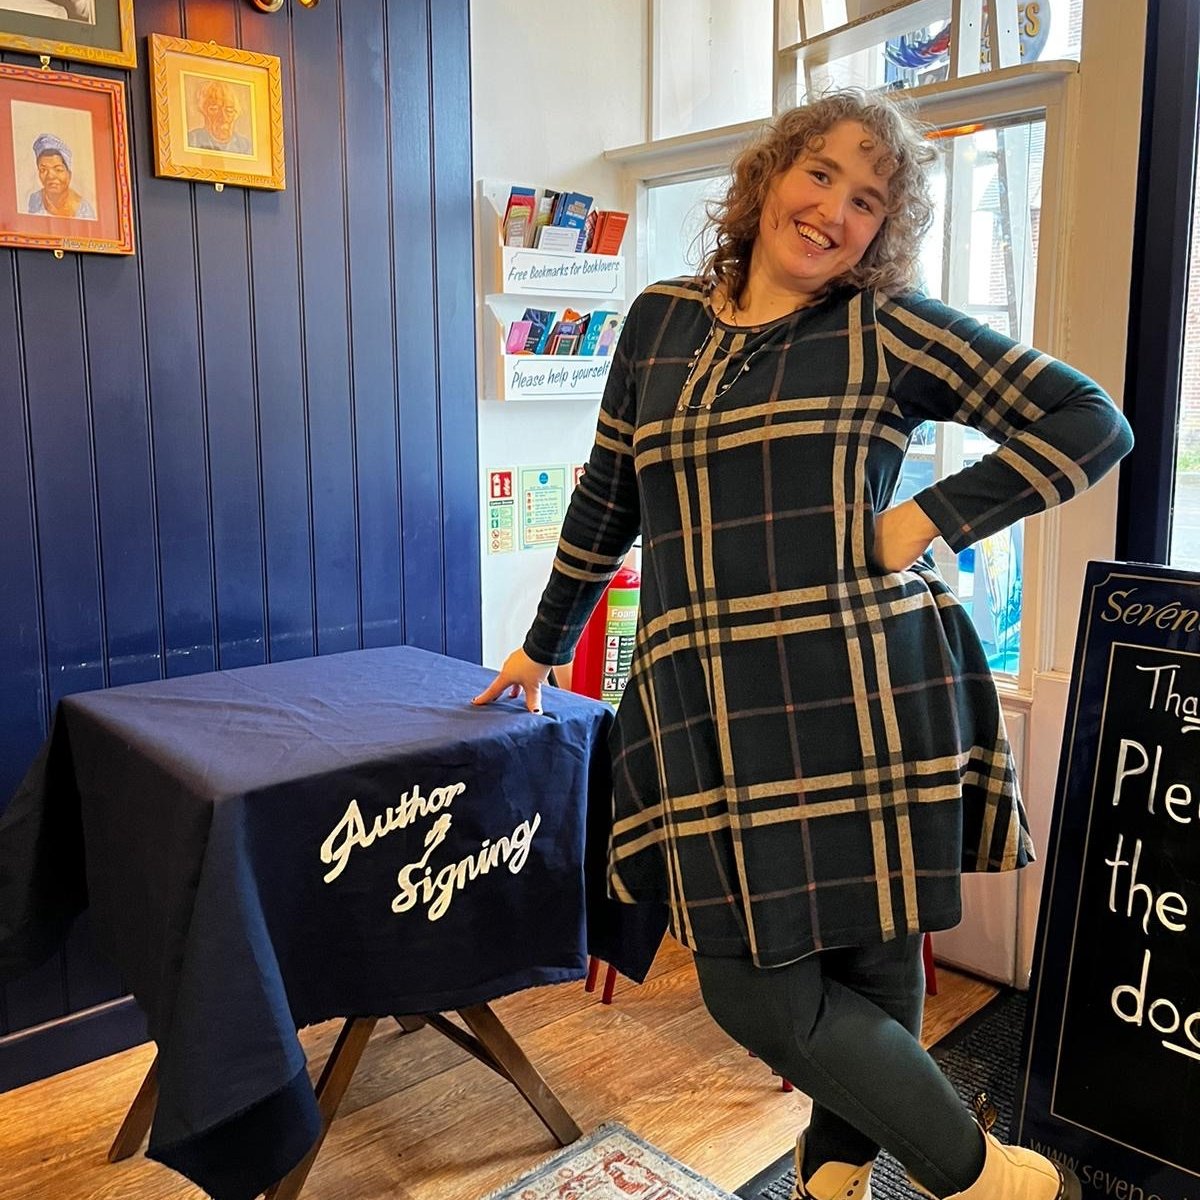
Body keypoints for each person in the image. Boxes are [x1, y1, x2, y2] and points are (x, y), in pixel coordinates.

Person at [474, 89, 1132, 1200]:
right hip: (705, 706)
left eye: (868, 199)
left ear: (886, 229)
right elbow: (607, 495)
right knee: (750, 985)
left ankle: (829, 1179)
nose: (833, 209)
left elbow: (1089, 420)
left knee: (873, 958)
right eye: (819, 173)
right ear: (770, 176)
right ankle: (987, 1179)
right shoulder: (660, 321)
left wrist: (929, 517)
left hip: (864, 693)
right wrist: (543, 643)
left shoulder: (887, 328)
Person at [27, 134, 95, 220]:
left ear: (69, 174)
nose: (50, 176)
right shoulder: (34, 200)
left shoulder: (83, 210)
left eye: (58, 170)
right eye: (43, 170)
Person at [187, 80, 252, 155]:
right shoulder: (192, 140)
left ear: (236, 114)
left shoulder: (246, 147)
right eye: (214, 109)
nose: (223, 117)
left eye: (229, 110)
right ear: (203, 111)